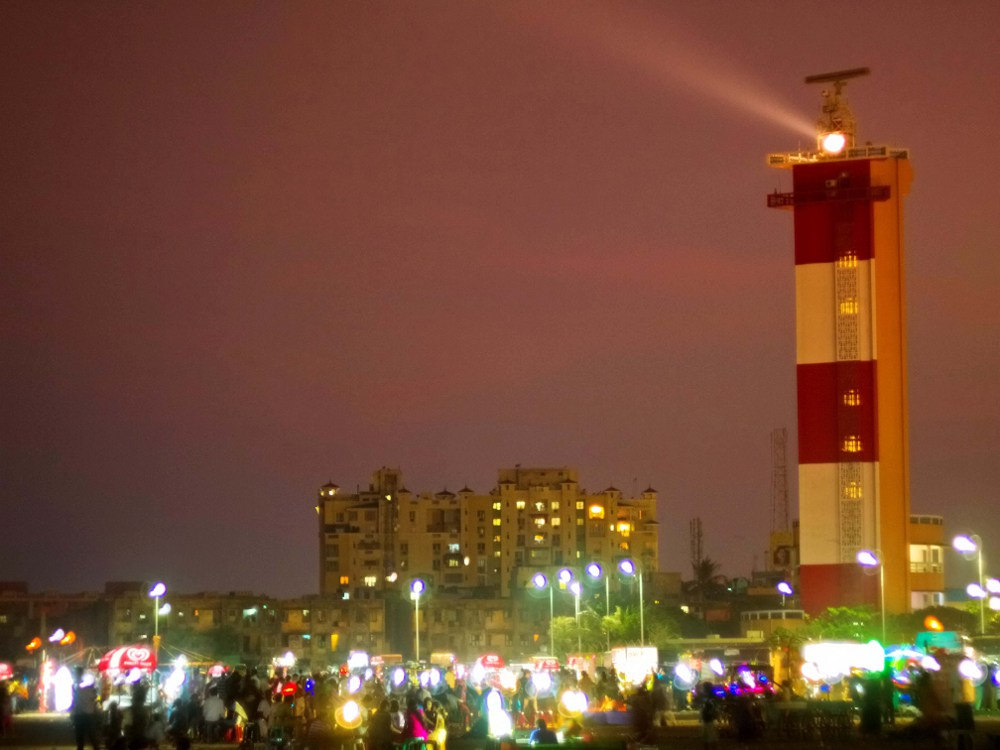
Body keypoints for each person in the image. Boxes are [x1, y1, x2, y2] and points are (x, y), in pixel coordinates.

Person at [70, 669, 100, 750]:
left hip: (80, 714)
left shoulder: (76, 687)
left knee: (80, 737)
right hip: (88, 714)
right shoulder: (89, 688)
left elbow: (74, 701)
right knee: (91, 735)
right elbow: (94, 698)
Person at [699, 683, 718, 750]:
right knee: (706, 737)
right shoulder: (706, 696)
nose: (702, 689)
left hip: (709, 719)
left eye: (703, 688)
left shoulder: (710, 696)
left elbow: (712, 707)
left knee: (710, 737)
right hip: (706, 718)